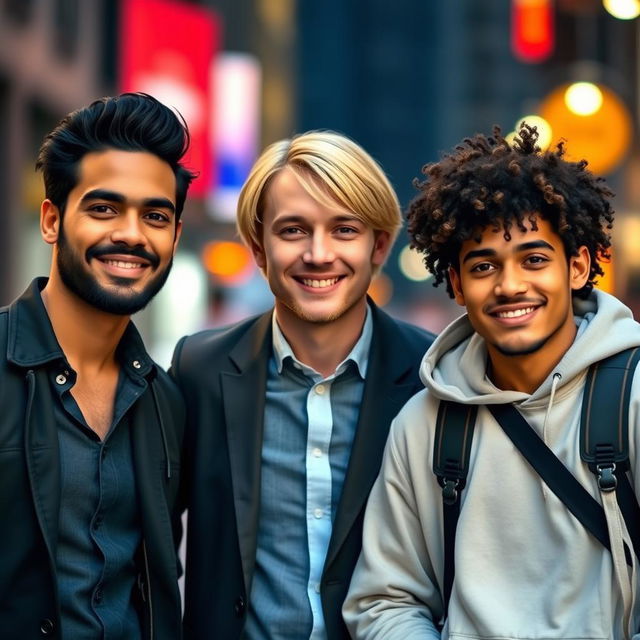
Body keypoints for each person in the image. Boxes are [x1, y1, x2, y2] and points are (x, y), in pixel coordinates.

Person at [343, 123, 640, 639]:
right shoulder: (424, 425)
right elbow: (383, 601)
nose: (510, 286)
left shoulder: (634, 397)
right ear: (456, 283)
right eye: (484, 266)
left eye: (534, 259)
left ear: (578, 266)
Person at [171, 130, 435, 639]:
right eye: (293, 230)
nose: (318, 254)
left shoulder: (433, 375)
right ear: (258, 246)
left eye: (344, 230)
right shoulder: (198, 370)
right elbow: (151, 545)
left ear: (378, 245)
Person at [0, 93, 195, 639]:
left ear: (175, 236)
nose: (132, 234)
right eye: (104, 208)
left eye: (155, 216)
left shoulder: (165, 401)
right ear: (52, 220)